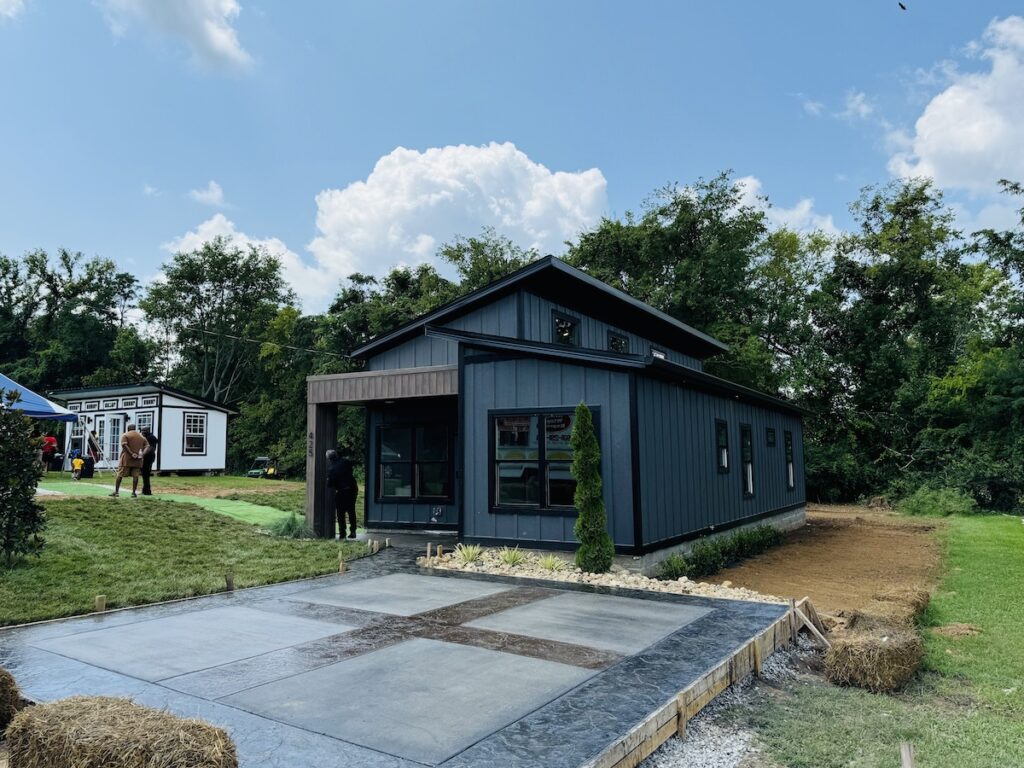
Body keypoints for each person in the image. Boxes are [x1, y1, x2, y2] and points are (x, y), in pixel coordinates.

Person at [110, 423, 149, 498]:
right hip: (138, 460)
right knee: (135, 476)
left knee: (119, 475)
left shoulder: (125, 435)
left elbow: (124, 445)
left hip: (126, 459)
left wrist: (131, 454)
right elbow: (147, 446)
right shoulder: (142, 437)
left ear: (128, 429)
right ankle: (133, 493)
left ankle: (116, 491)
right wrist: (142, 454)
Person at [326, 448, 358, 539]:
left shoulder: (332, 469)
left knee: (340, 513)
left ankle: (342, 534)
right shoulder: (346, 462)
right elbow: (351, 471)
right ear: (336, 455)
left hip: (342, 491)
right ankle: (353, 531)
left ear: (329, 459)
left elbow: (330, 485)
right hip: (352, 488)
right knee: (351, 510)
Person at [140, 425, 159, 496]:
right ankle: (145, 490)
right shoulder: (145, 437)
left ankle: (148, 491)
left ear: (147, 431)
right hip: (146, 457)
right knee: (144, 474)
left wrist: (143, 454)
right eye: (142, 430)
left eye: (144, 431)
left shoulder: (151, 437)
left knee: (146, 474)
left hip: (149, 457)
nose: (142, 432)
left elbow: (151, 448)